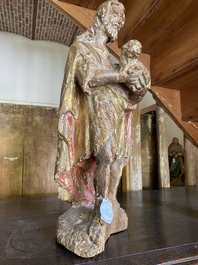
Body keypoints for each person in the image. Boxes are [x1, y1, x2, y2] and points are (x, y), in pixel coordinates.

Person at [54, 0, 150, 206]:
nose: (119, 21)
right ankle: (99, 205)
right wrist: (122, 76)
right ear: (101, 17)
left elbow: (125, 96)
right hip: (94, 116)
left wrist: (139, 89)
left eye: (121, 20)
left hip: (114, 113)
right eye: (115, 15)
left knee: (116, 159)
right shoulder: (81, 47)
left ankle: (109, 203)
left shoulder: (109, 58)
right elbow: (87, 77)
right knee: (104, 156)